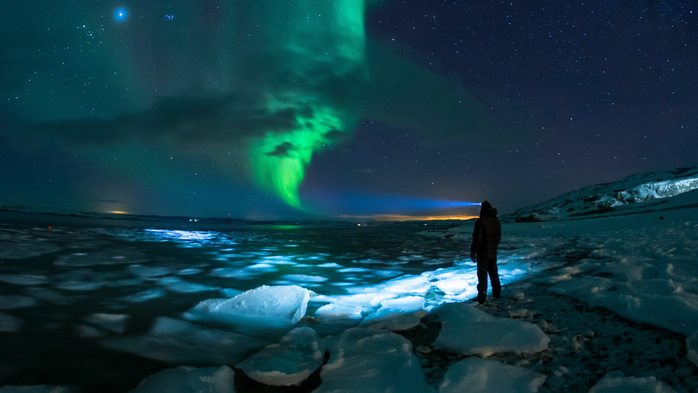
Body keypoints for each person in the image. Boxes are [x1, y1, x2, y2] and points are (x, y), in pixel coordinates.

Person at [470, 201, 502, 304]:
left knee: (482, 275)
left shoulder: (481, 221)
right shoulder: (496, 221)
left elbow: (477, 239)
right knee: (493, 273)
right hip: (493, 252)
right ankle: (497, 293)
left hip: (483, 253)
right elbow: (498, 237)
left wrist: (473, 251)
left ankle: (481, 297)